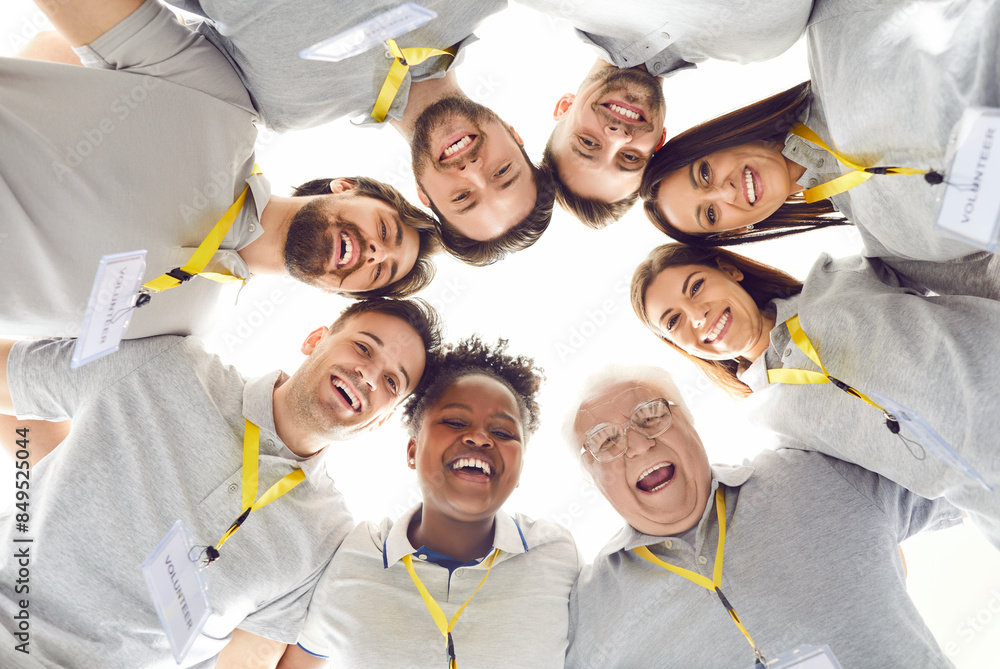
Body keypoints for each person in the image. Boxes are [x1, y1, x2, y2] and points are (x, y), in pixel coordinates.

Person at [0, 298, 441, 668]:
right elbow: (13, 378)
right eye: (364, 348)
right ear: (315, 340)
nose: (367, 375)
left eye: (390, 381)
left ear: (381, 420)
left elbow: (248, 656)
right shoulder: (169, 363)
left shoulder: (327, 538)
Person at [4, 0, 439, 346]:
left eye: (380, 272)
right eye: (385, 230)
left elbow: (31, 383)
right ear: (348, 187)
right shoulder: (220, 101)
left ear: (338, 294)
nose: (374, 253)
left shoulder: (183, 334)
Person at [565, 365, 961, 668]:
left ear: (689, 421)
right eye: (606, 441)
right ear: (592, 479)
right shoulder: (587, 613)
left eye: (650, 416)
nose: (636, 444)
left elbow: (972, 470)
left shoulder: (819, 471)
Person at [630, 242, 1000, 549]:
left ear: (729, 269)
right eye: (673, 321)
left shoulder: (837, 279)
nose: (696, 315)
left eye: (695, 287)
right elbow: (886, 501)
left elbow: (976, 266)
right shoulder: (772, 426)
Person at [641, 0, 1000, 298]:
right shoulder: (893, 253)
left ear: (715, 141)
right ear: (736, 232)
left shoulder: (834, 28)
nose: (725, 191)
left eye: (704, 174)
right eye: (711, 215)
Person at [162, 0, 555, 266]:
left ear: (423, 193)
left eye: (462, 197)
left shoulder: (284, 105)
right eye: (502, 172)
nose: (471, 169)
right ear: (515, 136)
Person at [274, 337, 579, 668]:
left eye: (504, 433)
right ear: (412, 452)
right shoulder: (350, 555)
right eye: (455, 422)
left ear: (520, 469)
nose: (479, 438)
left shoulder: (557, 554)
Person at [526, 0, 813, 228]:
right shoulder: (760, 40)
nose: (619, 137)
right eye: (629, 157)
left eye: (588, 143)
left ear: (564, 107)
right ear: (660, 139)